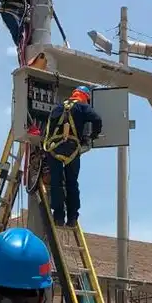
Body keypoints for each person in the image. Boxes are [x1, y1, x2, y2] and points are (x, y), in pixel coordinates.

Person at [42, 86, 103, 227]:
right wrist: (92, 136)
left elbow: (48, 129)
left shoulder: (57, 108)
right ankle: (72, 218)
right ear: (85, 97)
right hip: (72, 150)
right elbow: (97, 119)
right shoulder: (82, 107)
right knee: (72, 183)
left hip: (53, 148)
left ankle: (58, 217)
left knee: (56, 182)